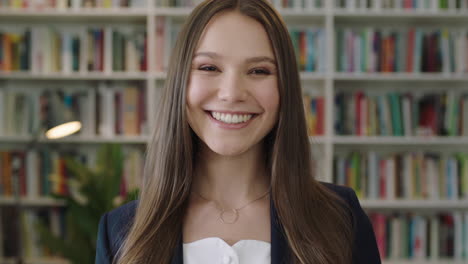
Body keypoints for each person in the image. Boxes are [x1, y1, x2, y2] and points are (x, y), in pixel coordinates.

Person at [95, 0, 381, 263]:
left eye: (259, 71)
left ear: (285, 89)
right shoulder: (121, 232)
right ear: (181, 82)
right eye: (209, 67)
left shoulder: (341, 218)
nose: (231, 94)